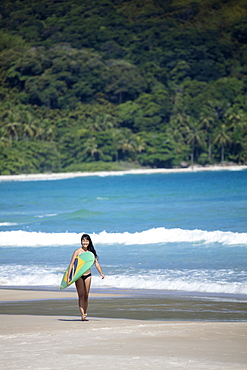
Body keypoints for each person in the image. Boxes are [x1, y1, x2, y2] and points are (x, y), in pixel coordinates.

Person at [67, 234, 104, 321]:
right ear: (81, 242)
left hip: (88, 275)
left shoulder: (91, 253)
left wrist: (101, 273)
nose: (85, 242)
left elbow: (96, 263)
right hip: (78, 275)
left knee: (86, 295)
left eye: (86, 241)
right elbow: (71, 264)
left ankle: (85, 313)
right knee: (81, 295)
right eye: (83, 240)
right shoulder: (77, 251)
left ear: (89, 242)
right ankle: (82, 314)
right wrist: (69, 277)